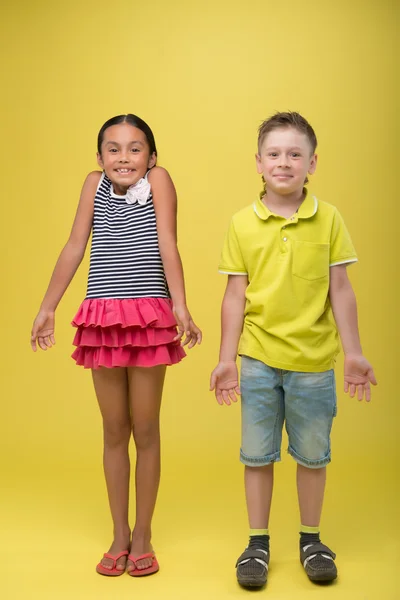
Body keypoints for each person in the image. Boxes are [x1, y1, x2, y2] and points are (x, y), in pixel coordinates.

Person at [31, 114, 201, 577]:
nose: (123, 157)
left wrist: (180, 306)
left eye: (134, 148)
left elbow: (169, 242)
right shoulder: (93, 185)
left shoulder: (159, 181)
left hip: (147, 317)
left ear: (151, 156)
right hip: (102, 318)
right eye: (113, 148)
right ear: (100, 156)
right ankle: (119, 533)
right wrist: (48, 307)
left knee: (145, 429)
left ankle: (143, 534)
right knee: (113, 430)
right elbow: (73, 246)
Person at [210, 112, 376, 587]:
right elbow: (234, 296)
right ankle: (257, 544)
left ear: (312, 163)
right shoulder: (242, 224)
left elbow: (341, 289)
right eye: (275, 154)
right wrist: (226, 360)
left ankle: (310, 539)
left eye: (295, 154)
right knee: (257, 457)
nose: (284, 162)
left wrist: (354, 352)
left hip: (313, 365)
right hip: (258, 361)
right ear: (259, 163)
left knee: (312, 457)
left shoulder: (329, 219)